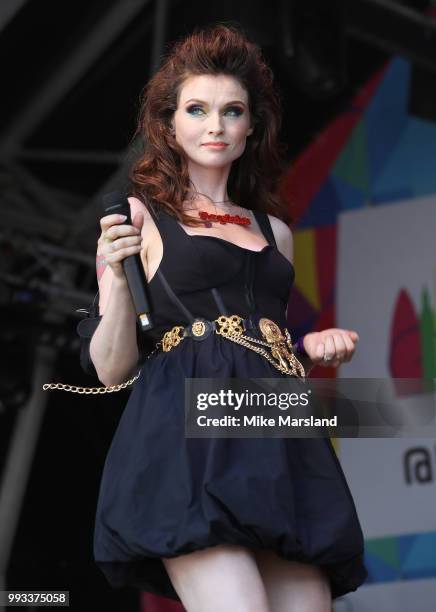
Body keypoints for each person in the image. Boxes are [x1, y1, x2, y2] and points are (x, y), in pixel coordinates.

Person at [89, 23, 368, 612]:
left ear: (251, 127)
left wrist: (310, 349)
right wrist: (116, 278)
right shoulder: (139, 218)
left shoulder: (277, 234)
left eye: (231, 110)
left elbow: (267, 351)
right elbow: (111, 370)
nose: (215, 125)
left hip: (273, 433)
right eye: (197, 108)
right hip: (186, 433)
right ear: (169, 125)